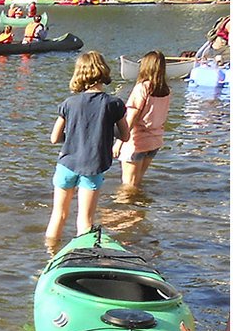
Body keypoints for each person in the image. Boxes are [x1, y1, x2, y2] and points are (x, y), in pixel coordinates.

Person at [46, 51, 129, 242]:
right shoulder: (114, 104)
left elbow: (54, 138)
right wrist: (106, 131)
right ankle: (82, 256)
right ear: (103, 71)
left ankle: (50, 255)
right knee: (85, 221)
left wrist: (73, 135)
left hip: (66, 164)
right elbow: (125, 135)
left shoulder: (69, 103)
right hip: (93, 166)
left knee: (58, 215)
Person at [118, 51, 172, 190]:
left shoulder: (142, 88)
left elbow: (132, 117)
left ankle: (125, 210)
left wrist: (119, 142)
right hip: (154, 141)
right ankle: (139, 209)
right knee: (137, 182)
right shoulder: (166, 90)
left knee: (128, 185)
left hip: (137, 141)